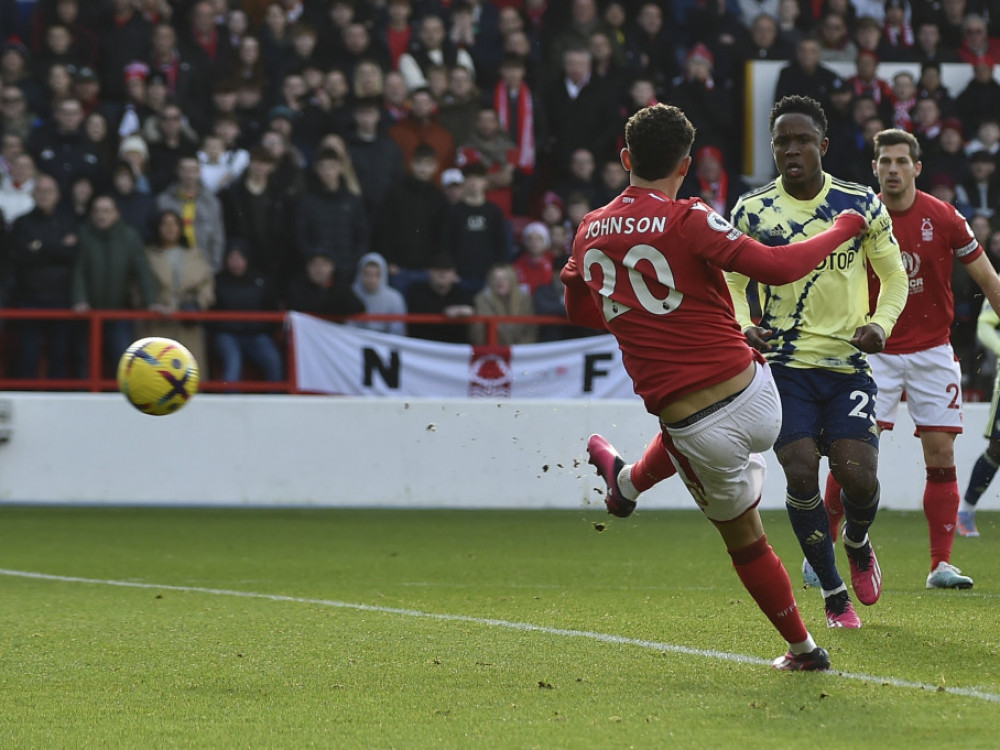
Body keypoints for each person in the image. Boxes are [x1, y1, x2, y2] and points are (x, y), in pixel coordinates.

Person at [567, 103, 872, 671]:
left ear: (625, 158)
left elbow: (582, 314)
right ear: (685, 166)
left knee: (747, 541)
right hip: (761, 397)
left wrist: (620, 303)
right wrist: (842, 228)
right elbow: (778, 268)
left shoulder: (588, 231)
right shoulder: (690, 217)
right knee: (708, 436)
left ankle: (804, 650)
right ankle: (627, 484)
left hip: (698, 430)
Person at [724, 95, 908, 629]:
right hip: (782, 367)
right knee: (801, 472)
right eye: (782, 141)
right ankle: (833, 595)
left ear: (823, 146)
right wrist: (742, 325)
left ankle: (856, 539)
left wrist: (881, 325)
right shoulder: (752, 211)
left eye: (802, 139)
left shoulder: (860, 206)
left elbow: (894, 277)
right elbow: (731, 280)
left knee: (859, 478)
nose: (791, 149)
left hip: (847, 363)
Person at [819, 128, 998, 588]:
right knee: (850, 456)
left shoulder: (944, 217)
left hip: (934, 351)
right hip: (872, 351)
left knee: (941, 455)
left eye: (902, 161)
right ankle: (821, 553)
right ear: (874, 167)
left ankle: (940, 565)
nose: (893, 169)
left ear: (917, 168)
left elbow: (989, 280)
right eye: (885, 162)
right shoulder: (856, 219)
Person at [140, 209, 216, 372]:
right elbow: (138, 286)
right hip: (158, 323)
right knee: (158, 376)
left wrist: (198, 303)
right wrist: (152, 303)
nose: (170, 228)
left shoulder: (195, 254)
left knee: (188, 373)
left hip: (188, 324)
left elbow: (207, 284)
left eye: (174, 224)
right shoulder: (148, 255)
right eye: (165, 224)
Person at [470, 263, 537, 345]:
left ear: (512, 280)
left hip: (521, 352)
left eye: (505, 278)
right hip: (493, 351)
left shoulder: (525, 300)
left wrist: (520, 351)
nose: (500, 282)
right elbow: (478, 334)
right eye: (495, 279)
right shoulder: (482, 300)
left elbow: (530, 332)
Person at [349, 252, 408, 336]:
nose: (371, 280)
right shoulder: (350, 295)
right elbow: (348, 328)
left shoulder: (395, 298)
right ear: (360, 274)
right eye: (367, 274)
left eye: (377, 275)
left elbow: (397, 331)